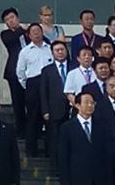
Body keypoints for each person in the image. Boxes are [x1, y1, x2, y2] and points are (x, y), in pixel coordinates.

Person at [58, 92, 114, 185]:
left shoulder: (102, 126)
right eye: (86, 102)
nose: (90, 105)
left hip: (99, 178)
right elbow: (63, 156)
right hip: (77, 178)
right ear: (77, 105)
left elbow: (107, 154)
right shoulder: (67, 127)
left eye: (92, 103)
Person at [16, 22, 52, 157]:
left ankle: (50, 150)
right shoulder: (25, 51)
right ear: (29, 35)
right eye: (33, 31)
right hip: (33, 85)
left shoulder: (50, 48)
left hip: (49, 85)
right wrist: (28, 86)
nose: (36, 33)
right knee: (32, 117)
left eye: (38, 30)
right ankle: (31, 150)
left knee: (49, 117)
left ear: (42, 33)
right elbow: (20, 72)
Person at [39, 41, 71, 171]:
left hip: (72, 110)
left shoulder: (74, 67)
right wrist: (45, 111)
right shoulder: (47, 70)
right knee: (55, 140)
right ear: (52, 53)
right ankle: (56, 168)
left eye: (62, 49)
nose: (60, 52)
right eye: (57, 50)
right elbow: (43, 92)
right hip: (54, 111)